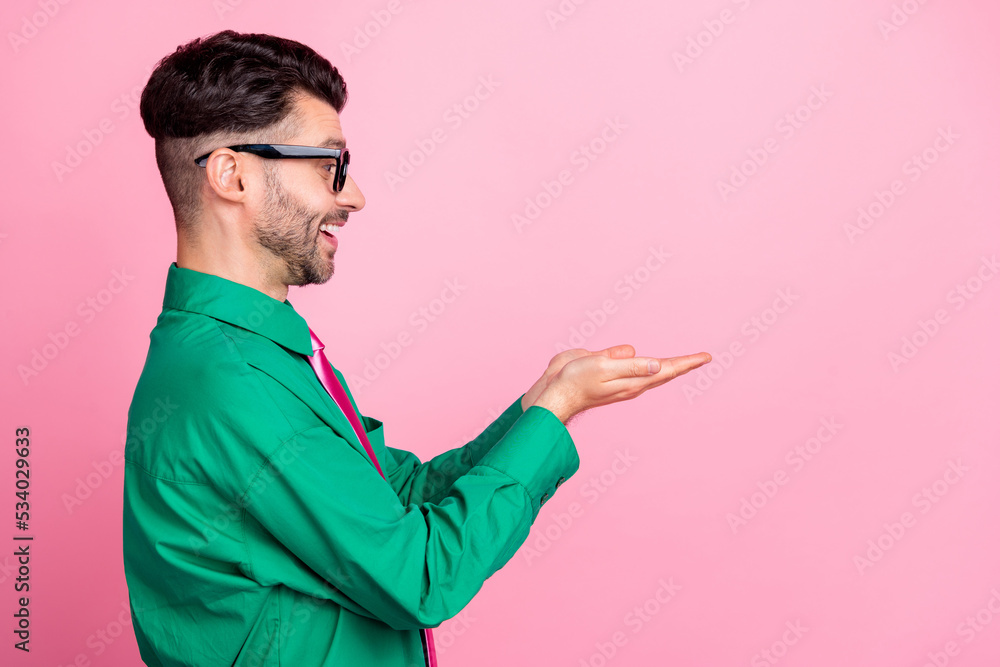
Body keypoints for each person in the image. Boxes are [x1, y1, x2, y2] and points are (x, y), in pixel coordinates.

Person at [122, 29, 712, 667]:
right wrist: (555, 413)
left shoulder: (260, 352)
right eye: (329, 166)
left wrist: (538, 407)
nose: (352, 196)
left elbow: (396, 496)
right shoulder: (232, 380)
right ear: (232, 174)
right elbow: (420, 576)